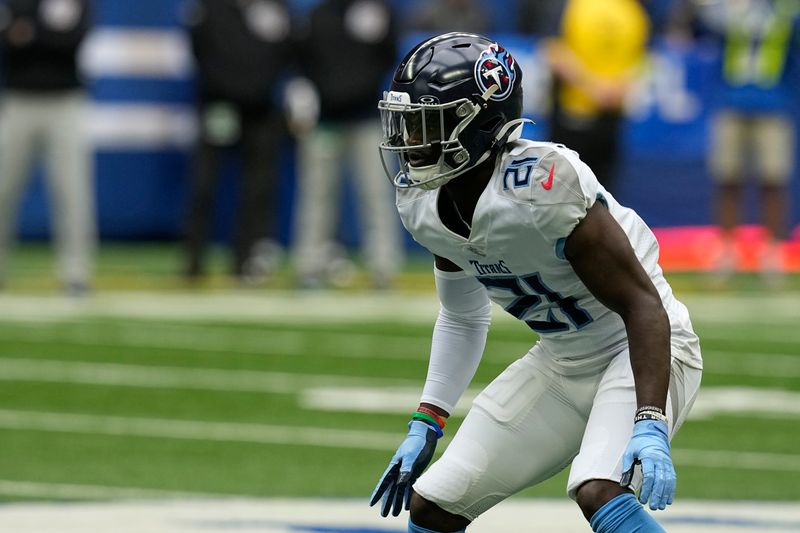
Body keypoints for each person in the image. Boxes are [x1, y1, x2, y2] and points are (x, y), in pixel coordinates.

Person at [369, 33, 703, 533]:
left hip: (642, 348)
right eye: (406, 123)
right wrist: (428, 419)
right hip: (563, 360)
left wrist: (650, 418)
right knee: (433, 506)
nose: (411, 140)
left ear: (479, 124)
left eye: (427, 124)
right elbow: (461, 316)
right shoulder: (423, 204)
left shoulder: (543, 186)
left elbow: (642, 304)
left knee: (599, 490)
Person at [670, 0, 800, 284]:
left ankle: (773, 252)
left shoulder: (786, 11)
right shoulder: (729, 9)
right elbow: (695, 29)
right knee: (727, 178)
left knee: (773, 179)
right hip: (731, 102)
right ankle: (727, 250)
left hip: (774, 104)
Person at [289, 0, 403, 290]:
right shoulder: (318, 16)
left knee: (375, 192)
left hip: (366, 116)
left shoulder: (375, 11)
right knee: (317, 192)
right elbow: (302, 60)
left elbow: (389, 56)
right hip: (326, 118)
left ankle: (383, 267)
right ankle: (309, 265)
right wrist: (309, 96)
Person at [181, 0, 293, 283]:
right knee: (204, 183)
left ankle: (246, 259)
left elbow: (285, 50)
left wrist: (259, 89)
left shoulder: (273, 8)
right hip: (219, 105)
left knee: (257, 188)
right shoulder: (211, 8)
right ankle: (194, 259)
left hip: (259, 109)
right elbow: (199, 49)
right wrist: (223, 89)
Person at [0, 0, 94, 296]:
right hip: (18, 100)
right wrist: (40, 34)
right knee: (3, 189)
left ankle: (76, 274)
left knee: (71, 191)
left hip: (65, 102)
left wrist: (30, 33)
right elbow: (7, 39)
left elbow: (72, 40)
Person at [544, 0, 651, 194]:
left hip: (607, 116)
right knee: (570, 187)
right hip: (575, 115)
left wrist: (605, 88)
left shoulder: (633, 10)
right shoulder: (571, 7)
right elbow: (554, 52)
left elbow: (642, 54)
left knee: (598, 190)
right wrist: (600, 88)